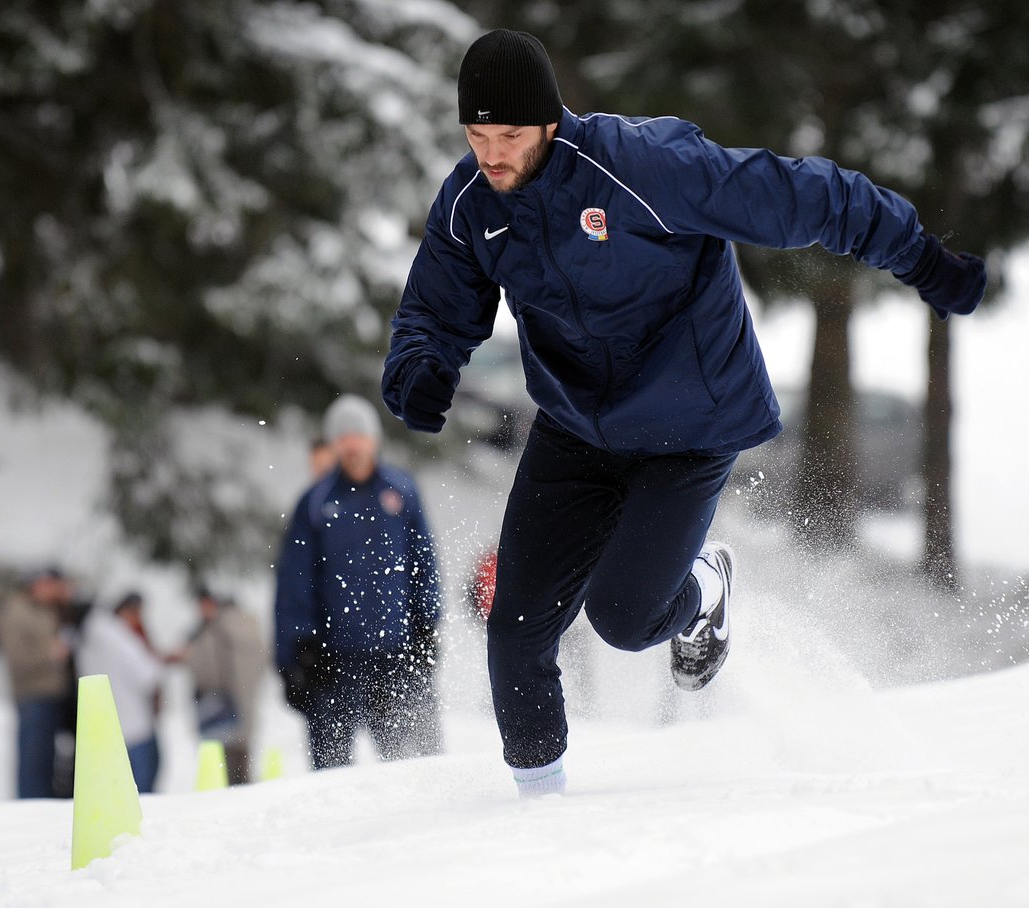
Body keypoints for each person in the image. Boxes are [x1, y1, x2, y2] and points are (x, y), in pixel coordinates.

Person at [381, 29, 987, 797]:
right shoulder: (471, 200)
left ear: (551, 122)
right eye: (476, 136)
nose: (491, 155)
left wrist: (922, 258)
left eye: (509, 136)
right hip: (576, 425)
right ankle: (539, 809)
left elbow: (805, 194)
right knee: (515, 628)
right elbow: (434, 308)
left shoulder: (643, 166)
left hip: (689, 423)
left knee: (626, 619)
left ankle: (703, 585)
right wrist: (420, 370)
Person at [274, 394, 443, 769]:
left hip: (396, 656)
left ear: (373, 440)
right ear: (334, 445)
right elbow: (295, 582)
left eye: (359, 436)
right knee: (332, 770)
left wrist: (427, 627)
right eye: (344, 437)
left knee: (414, 766)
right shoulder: (315, 503)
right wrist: (296, 651)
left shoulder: (401, 491)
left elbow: (423, 564)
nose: (353, 445)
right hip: (335, 662)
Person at [0, 566, 76, 798]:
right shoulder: (15, 612)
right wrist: (51, 654)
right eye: (49, 585)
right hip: (33, 697)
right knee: (34, 762)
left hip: (53, 695)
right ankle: (31, 811)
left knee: (49, 760)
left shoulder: (48, 610)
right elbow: (17, 659)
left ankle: (44, 806)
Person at [76, 592, 165, 793]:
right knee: (143, 790)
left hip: (107, 727)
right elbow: (147, 673)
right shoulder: (114, 634)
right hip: (135, 726)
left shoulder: (86, 637)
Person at [182, 587, 266, 785]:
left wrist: (189, 656)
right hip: (245, 703)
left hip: (223, 707)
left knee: (223, 771)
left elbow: (205, 671)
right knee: (242, 765)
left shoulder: (215, 629)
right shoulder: (250, 626)